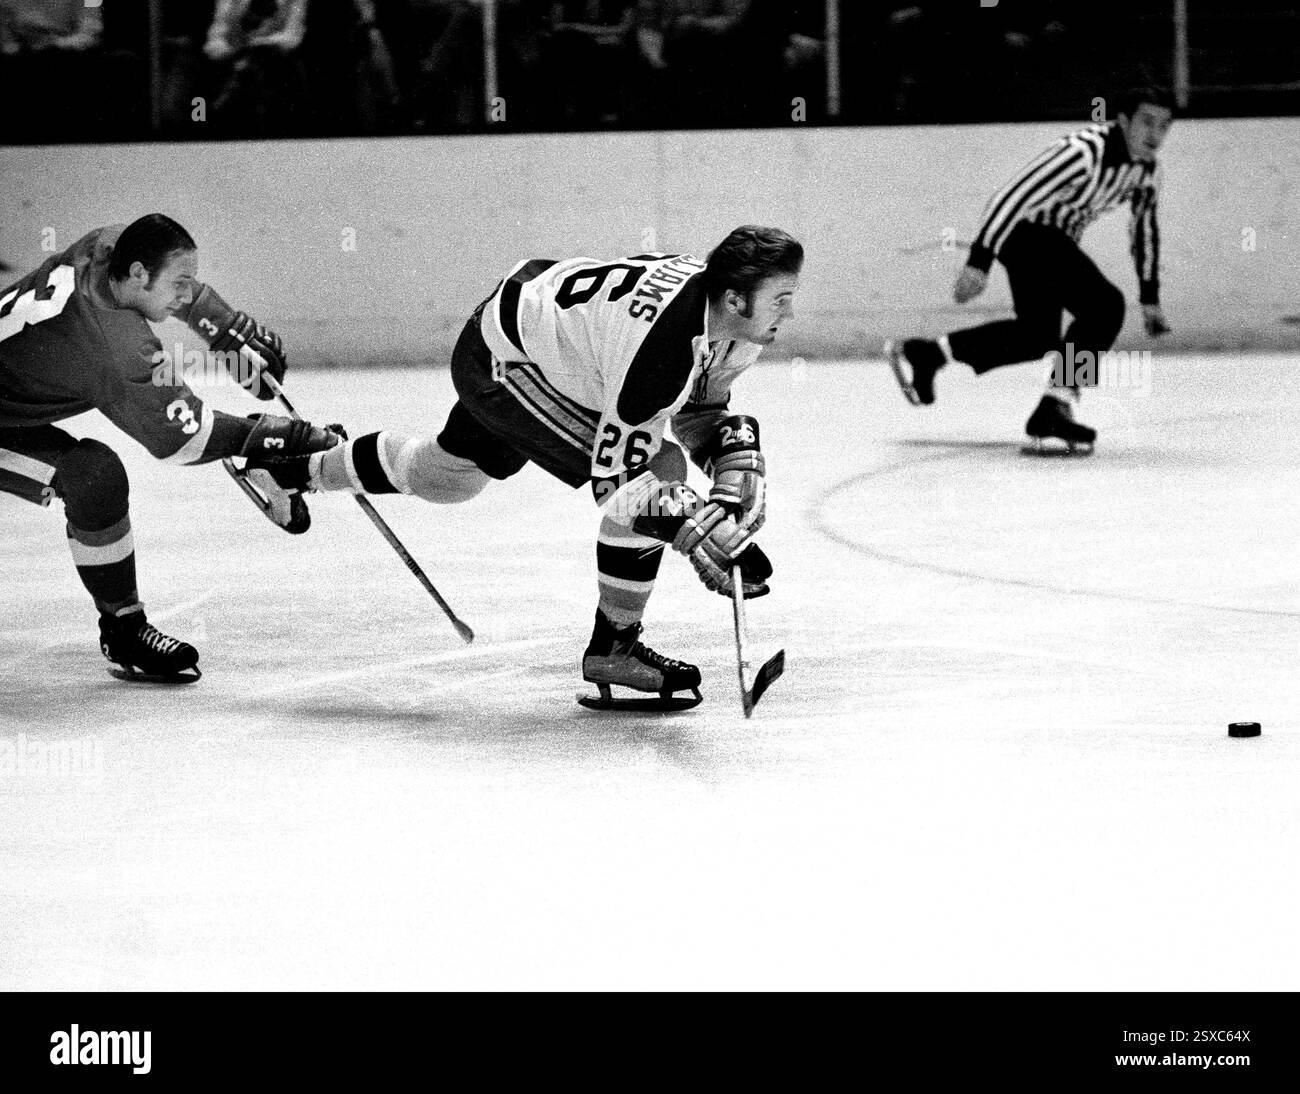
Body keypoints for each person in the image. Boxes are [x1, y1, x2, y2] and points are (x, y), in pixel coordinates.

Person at [249, 226, 802, 709]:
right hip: (508, 362)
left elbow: (700, 409)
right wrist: (691, 527)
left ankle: (294, 467)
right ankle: (614, 648)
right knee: (660, 466)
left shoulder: (725, 325)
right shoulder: (662, 350)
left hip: (530, 337)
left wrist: (733, 470)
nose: (789, 312)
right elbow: (617, 485)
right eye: (779, 299)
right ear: (734, 299)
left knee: (449, 477)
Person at [0, 214, 341, 681]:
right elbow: (183, 438)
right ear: (138, 274)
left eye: (189, 283)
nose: (185, 294)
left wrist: (224, 329)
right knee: (93, 477)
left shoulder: (103, 249)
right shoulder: (115, 346)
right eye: (178, 284)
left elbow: (161, 266)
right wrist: (280, 437)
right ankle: (124, 630)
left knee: (94, 474)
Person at [886, 86, 1174, 453]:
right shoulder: (1083, 152)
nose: (1156, 134)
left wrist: (1150, 297)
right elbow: (1011, 197)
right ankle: (1058, 402)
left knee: (1037, 335)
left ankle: (929, 353)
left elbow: (1144, 232)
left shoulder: (1148, 172)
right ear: (1123, 121)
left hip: (1053, 243)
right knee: (1104, 307)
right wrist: (979, 262)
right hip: (1026, 234)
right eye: (1147, 122)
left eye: (1165, 126)